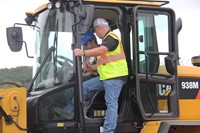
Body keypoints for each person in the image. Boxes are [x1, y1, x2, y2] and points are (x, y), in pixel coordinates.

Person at [74, 18, 128, 133]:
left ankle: (108, 130)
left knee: (111, 104)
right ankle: (83, 113)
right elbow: (104, 64)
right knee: (84, 87)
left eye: (95, 31)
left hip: (115, 77)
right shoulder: (105, 40)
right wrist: (90, 68)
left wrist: (83, 53)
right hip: (105, 77)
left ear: (99, 28)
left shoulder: (111, 38)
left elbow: (101, 51)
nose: (96, 34)